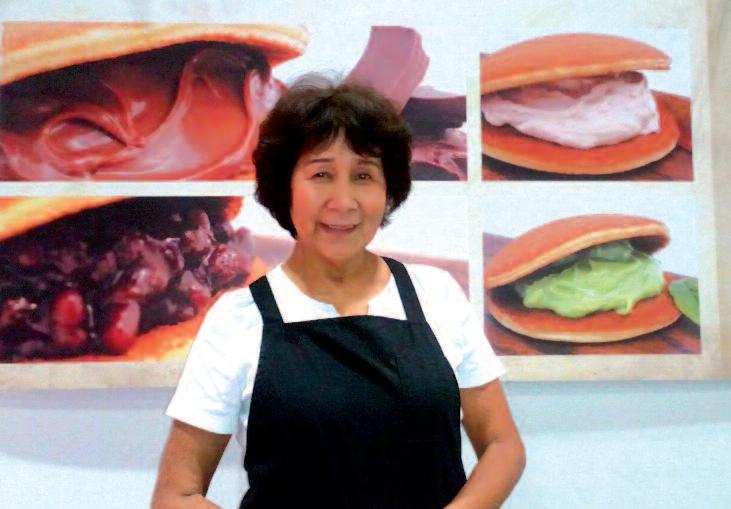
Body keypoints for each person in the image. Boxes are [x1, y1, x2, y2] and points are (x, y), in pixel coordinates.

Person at [151, 76, 525, 509]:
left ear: (388, 190)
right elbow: (175, 495)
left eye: (363, 175)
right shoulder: (238, 319)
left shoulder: (436, 295)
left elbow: (502, 445)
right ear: (284, 187)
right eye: (321, 174)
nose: (343, 201)